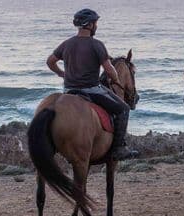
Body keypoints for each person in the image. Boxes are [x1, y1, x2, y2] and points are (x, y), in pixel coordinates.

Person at [46, 8, 138, 160]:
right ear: (89, 25)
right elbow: (109, 70)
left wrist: (61, 73)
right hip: (91, 90)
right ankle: (118, 148)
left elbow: (50, 62)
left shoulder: (67, 44)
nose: (96, 26)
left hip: (69, 90)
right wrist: (115, 79)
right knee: (123, 109)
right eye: (95, 23)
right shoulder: (96, 45)